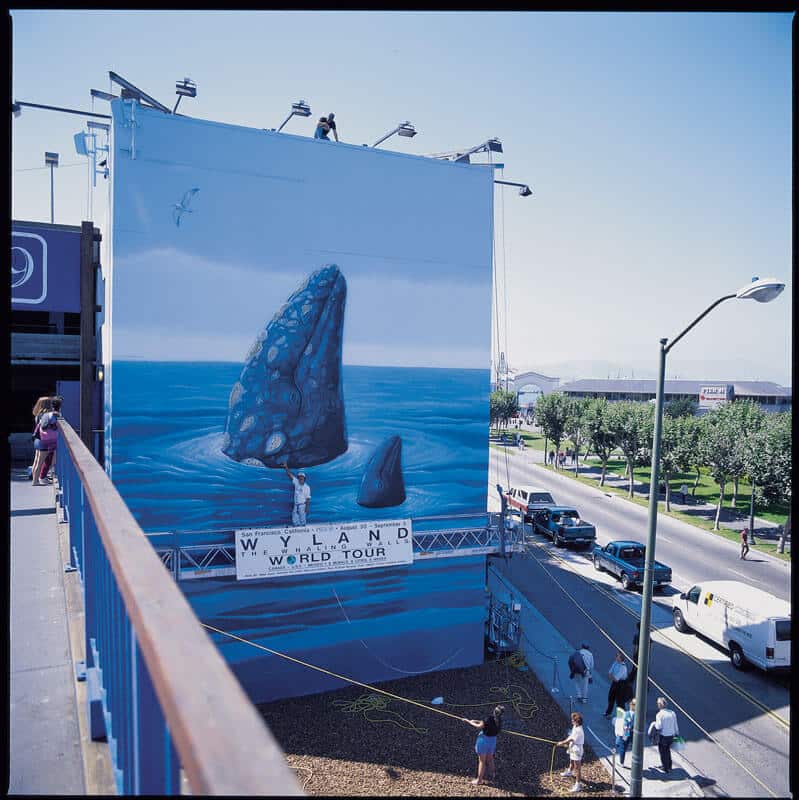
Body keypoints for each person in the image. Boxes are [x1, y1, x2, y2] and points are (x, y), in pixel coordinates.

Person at [463, 704, 504, 785]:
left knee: (482, 761)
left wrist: (468, 721)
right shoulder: (500, 720)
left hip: (483, 740)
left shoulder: (489, 718)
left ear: (494, 711)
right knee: (490, 758)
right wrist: (474, 720)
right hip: (492, 741)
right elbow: (484, 723)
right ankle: (493, 775)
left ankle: (479, 780)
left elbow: (479, 726)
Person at [648, 696, 680, 774]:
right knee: (668, 751)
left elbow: (658, 726)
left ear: (659, 705)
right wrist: (677, 733)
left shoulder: (659, 714)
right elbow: (675, 725)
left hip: (663, 736)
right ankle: (669, 766)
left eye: (657, 704)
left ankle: (665, 767)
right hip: (671, 736)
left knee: (663, 752)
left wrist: (654, 723)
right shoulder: (672, 712)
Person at [35, 396, 62, 484]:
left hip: (39, 439)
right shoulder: (49, 415)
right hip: (46, 440)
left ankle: (39, 478)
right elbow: (48, 427)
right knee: (45, 461)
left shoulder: (39, 414)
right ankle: (39, 479)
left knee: (39, 461)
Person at [557, 711, 585, 793]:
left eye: (573, 720)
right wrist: (567, 744)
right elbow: (571, 736)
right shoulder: (575, 727)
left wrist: (562, 743)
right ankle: (569, 772)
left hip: (577, 749)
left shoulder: (578, 730)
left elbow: (571, 739)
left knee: (577, 768)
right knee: (571, 761)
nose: (571, 721)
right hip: (573, 746)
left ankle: (577, 785)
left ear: (576, 721)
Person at [30, 396, 52, 482]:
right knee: (40, 463)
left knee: (36, 461)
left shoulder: (38, 415)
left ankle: (34, 480)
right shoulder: (46, 416)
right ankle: (35, 481)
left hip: (37, 439)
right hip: (43, 440)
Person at [604, 652, 629, 718]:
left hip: (621, 685)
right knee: (611, 698)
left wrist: (612, 676)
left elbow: (616, 678)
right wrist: (612, 676)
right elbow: (609, 673)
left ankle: (621, 717)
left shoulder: (623, 667)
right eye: (616, 655)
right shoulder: (615, 663)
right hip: (615, 683)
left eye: (617, 656)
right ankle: (608, 713)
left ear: (621, 658)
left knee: (620, 701)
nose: (615, 657)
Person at [614, 698, 636, 769]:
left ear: (631, 705)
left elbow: (625, 725)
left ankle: (621, 762)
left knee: (623, 747)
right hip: (633, 733)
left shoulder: (627, 714)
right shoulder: (638, 715)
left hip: (626, 733)